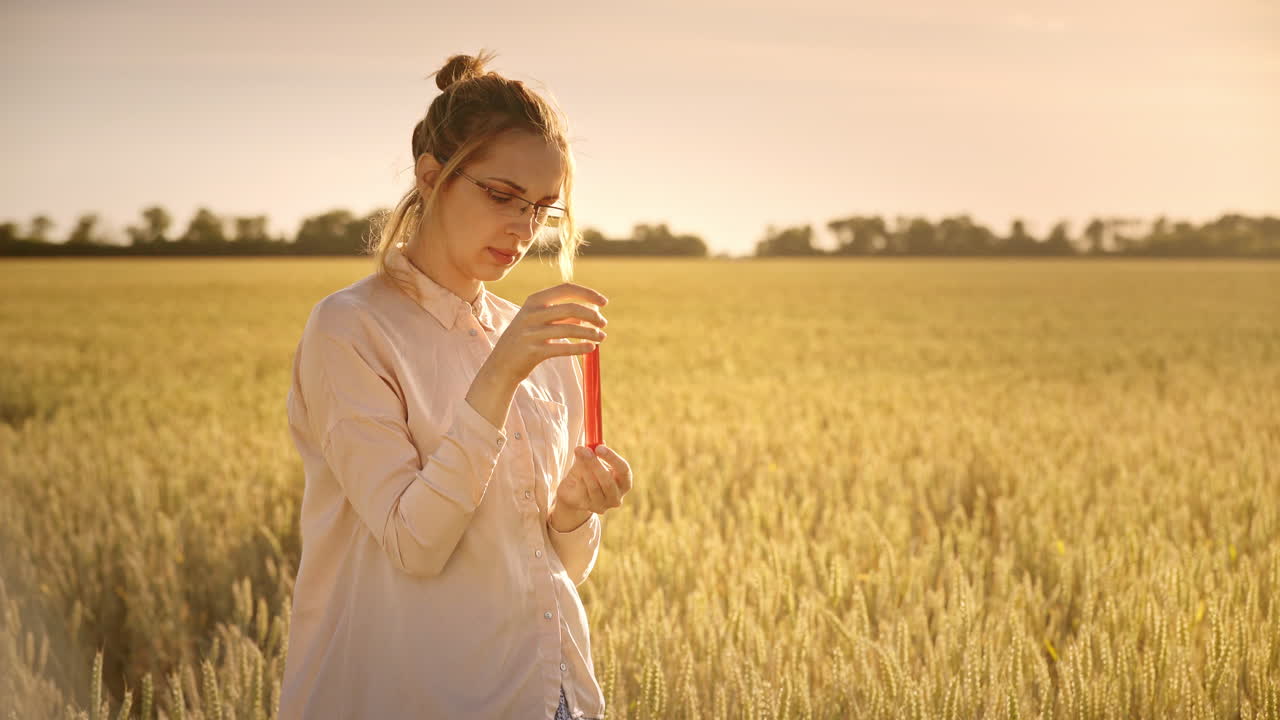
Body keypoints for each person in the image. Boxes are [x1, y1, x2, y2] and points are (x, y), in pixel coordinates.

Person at [279, 50, 633, 719]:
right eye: (502, 196)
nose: (523, 229)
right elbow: (416, 544)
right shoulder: (350, 329)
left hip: (552, 693)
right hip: (417, 695)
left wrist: (575, 511)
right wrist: (498, 374)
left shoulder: (535, 339)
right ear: (432, 176)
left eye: (542, 208)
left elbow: (552, 565)